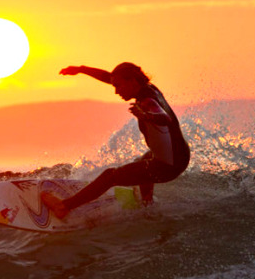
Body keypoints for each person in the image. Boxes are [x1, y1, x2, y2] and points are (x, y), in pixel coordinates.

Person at [41, 62, 190, 219]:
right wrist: (81, 70)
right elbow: (108, 77)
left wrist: (147, 116)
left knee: (110, 176)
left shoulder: (147, 102)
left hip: (168, 167)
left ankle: (63, 207)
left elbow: (165, 118)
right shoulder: (149, 88)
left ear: (132, 81)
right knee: (144, 159)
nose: (116, 91)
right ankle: (147, 203)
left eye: (118, 86)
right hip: (181, 156)